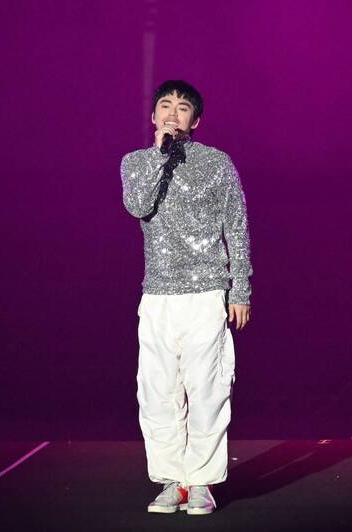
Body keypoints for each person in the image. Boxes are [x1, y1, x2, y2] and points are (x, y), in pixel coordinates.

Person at [120, 80, 253, 516]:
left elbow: (236, 227)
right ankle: (171, 480)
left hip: (206, 291)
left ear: (195, 121)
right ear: (153, 116)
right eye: (165, 106)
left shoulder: (216, 163)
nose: (172, 114)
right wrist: (160, 155)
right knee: (157, 392)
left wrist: (240, 289)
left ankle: (201, 482)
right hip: (157, 295)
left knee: (207, 390)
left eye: (182, 108)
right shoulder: (136, 162)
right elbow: (138, 205)